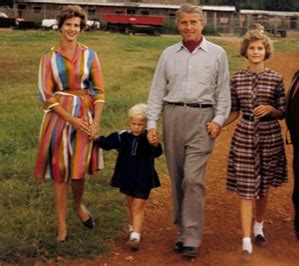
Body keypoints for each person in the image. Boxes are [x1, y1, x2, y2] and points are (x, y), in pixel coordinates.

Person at [146, 3, 230, 257]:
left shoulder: (217, 53)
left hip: (202, 119)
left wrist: (218, 120)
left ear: (202, 23)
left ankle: (191, 236)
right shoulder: (168, 54)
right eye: (184, 22)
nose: (189, 27)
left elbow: (223, 93)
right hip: (173, 117)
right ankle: (183, 230)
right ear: (178, 25)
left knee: (193, 179)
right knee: (178, 178)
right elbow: (157, 91)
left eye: (194, 22)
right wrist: (152, 123)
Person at [33, 5, 105, 242]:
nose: (73, 29)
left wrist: (95, 122)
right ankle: (62, 225)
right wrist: (71, 118)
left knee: (78, 171)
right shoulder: (49, 57)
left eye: (77, 25)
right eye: (69, 25)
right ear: (60, 26)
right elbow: (46, 95)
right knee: (60, 171)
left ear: (81, 28)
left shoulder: (90, 55)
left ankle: (78, 205)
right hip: (59, 118)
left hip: (85, 116)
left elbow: (99, 91)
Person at [223, 30, 287, 255]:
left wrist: (271, 109)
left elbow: (283, 112)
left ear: (266, 51)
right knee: (247, 189)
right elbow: (233, 110)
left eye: (260, 48)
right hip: (244, 135)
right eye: (252, 48)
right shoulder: (237, 78)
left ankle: (258, 226)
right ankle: (246, 238)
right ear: (245, 51)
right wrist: (218, 124)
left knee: (263, 187)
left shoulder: (276, 78)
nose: (256, 52)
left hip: (270, 135)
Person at [94, 103, 162, 251]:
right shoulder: (122, 136)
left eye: (140, 124)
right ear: (129, 122)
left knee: (138, 206)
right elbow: (106, 143)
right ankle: (132, 229)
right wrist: (95, 138)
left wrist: (155, 144)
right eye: (133, 123)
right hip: (127, 177)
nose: (136, 127)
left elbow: (158, 153)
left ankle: (136, 236)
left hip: (144, 179)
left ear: (146, 124)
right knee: (131, 205)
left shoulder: (149, 138)